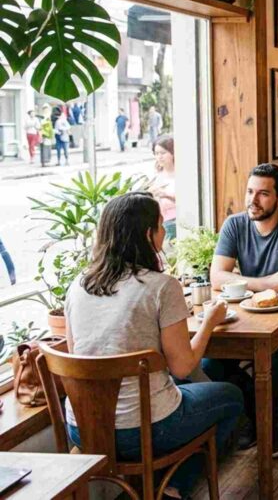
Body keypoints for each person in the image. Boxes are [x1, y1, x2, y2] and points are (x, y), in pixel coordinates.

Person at [64, 192, 243, 499]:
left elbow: (76, 356)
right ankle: (173, 488)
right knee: (232, 396)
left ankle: (145, 486)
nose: (165, 233)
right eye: (161, 226)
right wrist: (210, 321)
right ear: (149, 234)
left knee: (177, 385)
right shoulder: (161, 287)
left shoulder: (78, 285)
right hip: (144, 432)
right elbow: (183, 366)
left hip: (84, 427)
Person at [209, 163, 278, 456]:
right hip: (248, 317)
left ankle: (269, 417)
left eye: (263, 194)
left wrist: (243, 283)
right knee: (210, 363)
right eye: (250, 192)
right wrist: (266, 282)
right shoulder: (234, 224)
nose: (252, 201)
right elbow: (216, 276)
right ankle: (264, 416)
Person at [149, 135, 177, 242]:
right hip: (160, 221)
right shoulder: (157, 175)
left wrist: (165, 194)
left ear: (173, 153)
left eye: (163, 153)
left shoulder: (181, 174)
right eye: (156, 153)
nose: (159, 157)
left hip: (175, 222)